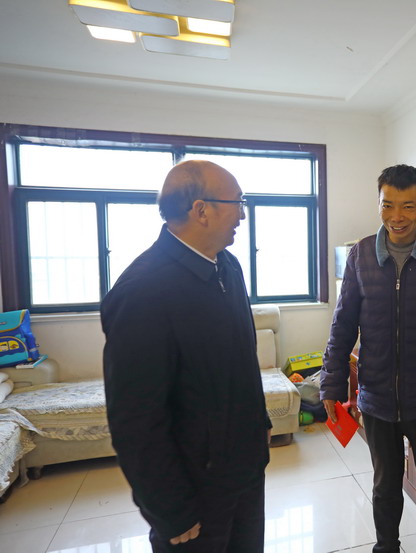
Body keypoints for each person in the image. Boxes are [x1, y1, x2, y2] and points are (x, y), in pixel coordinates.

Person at [101, 160, 272, 552]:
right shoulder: (143, 291)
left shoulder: (228, 267)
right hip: (194, 493)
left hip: (245, 473)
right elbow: (135, 418)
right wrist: (169, 508)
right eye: (238, 202)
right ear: (201, 210)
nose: (242, 215)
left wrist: (259, 422)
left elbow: (241, 363)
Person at [320, 164, 416, 553]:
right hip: (377, 401)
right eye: (388, 205)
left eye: (407, 206)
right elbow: (343, 325)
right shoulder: (360, 255)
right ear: (378, 204)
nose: (397, 217)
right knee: (385, 488)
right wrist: (332, 382)